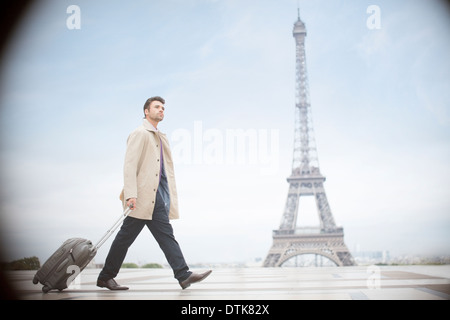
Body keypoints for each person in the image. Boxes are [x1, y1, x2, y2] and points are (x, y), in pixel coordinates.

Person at [97, 96, 212, 290]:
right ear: (146, 111)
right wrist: (131, 194)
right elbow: (129, 165)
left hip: (155, 197)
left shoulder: (158, 136)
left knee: (166, 236)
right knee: (125, 238)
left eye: (163, 108)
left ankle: (183, 275)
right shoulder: (140, 133)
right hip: (141, 197)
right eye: (157, 107)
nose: (161, 110)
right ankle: (106, 276)